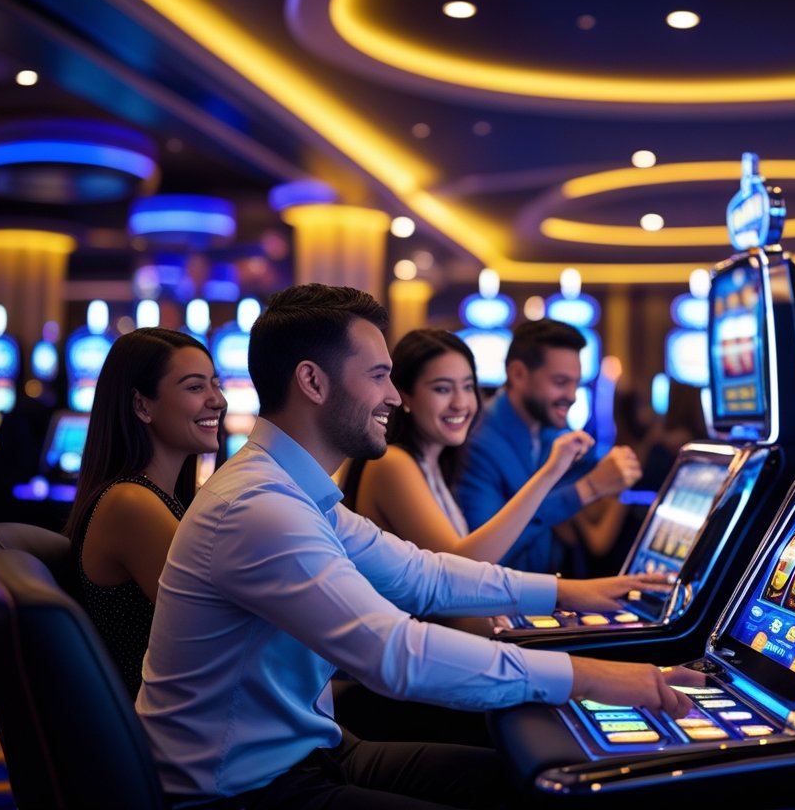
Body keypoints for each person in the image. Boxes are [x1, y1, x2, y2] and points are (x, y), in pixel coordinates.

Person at [137, 284, 700, 809]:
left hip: (313, 750)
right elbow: (394, 655)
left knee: (523, 783)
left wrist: (575, 592)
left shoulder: (295, 490)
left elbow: (424, 576)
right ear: (312, 381)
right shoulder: (259, 507)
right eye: (379, 376)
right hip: (242, 790)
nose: (392, 396)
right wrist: (598, 678)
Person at [63, 327, 226, 697]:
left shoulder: (159, 499)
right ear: (141, 405)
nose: (218, 400)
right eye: (196, 387)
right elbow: (219, 626)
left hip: (197, 713)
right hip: (173, 734)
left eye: (215, 384)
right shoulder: (130, 504)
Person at [347, 328, 593, 566]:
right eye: (442, 389)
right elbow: (460, 569)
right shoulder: (392, 462)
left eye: (467, 387)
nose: (460, 403)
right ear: (406, 397)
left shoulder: (438, 464)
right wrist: (550, 473)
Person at [456, 319, 642, 577]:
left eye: (576, 383)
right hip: (497, 606)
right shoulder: (477, 442)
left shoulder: (555, 434)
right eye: (560, 382)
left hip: (546, 596)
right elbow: (481, 558)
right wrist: (588, 489)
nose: (573, 395)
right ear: (518, 374)